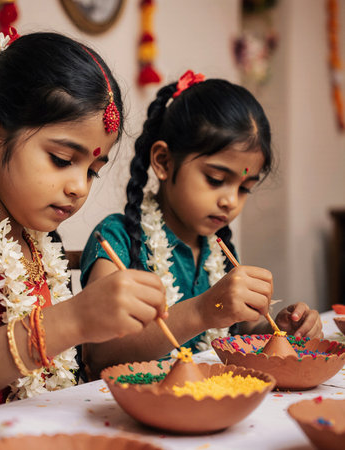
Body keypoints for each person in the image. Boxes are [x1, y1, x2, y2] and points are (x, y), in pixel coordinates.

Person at [0, 30, 168, 428]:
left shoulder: (38, 246)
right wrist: (73, 320)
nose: (79, 187)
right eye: (61, 159)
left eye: (93, 171)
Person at [80, 70, 323, 379]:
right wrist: (202, 311)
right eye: (216, 179)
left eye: (245, 187)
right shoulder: (117, 238)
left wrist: (277, 330)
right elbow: (99, 356)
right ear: (164, 162)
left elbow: (239, 332)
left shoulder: (218, 249)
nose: (231, 201)